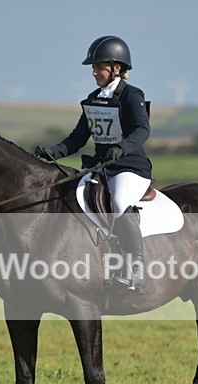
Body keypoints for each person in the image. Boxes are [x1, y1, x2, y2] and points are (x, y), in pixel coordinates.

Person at [35, 36, 152, 293]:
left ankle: (136, 271)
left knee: (120, 202)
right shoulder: (94, 99)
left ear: (117, 68)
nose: (94, 73)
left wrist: (121, 148)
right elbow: (78, 138)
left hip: (130, 167)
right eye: (94, 68)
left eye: (99, 67)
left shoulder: (132, 96)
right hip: (100, 167)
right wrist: (54, 151)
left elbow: (142, 130)